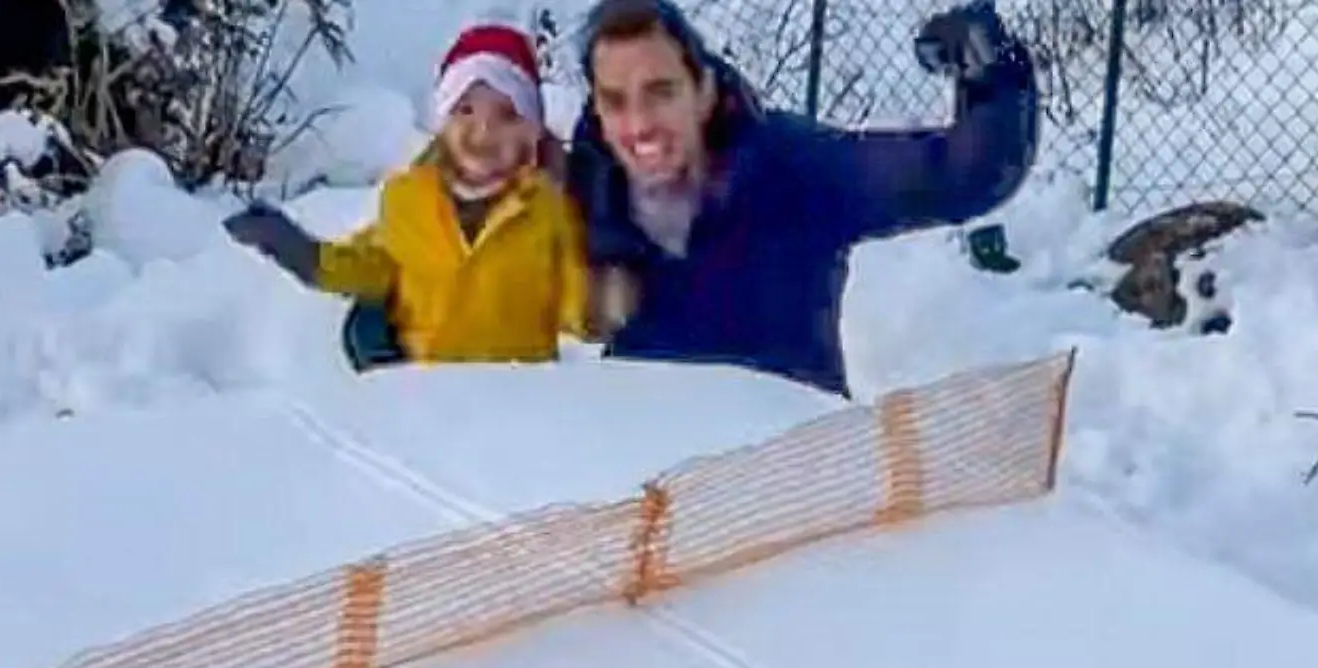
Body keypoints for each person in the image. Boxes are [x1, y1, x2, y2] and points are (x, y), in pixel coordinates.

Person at [564, 0, 1041, 396]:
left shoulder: (796, 168)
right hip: (649, 477)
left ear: (704, 91)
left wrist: (992, 74)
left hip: (794, 465)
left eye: (661, 92)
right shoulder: (592, 190)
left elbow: (962, 176)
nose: (639, 123)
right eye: (615, 100)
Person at [223, 21, 616, 369]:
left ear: (531, 134)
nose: (483, 131)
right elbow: (371, 266)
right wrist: (305, 255)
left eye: (507, 115)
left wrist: (603, 305)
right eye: (465, 110)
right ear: (443, 122)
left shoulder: (547, 212)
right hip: (426, 400)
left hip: (514, 399)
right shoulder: (407, 199)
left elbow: (572, 304)